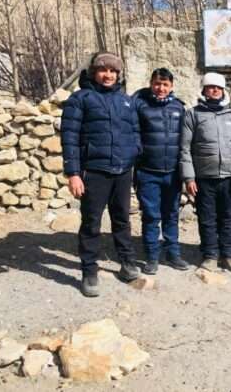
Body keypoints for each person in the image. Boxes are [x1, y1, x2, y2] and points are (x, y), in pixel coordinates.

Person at [61, 52, 141, 297]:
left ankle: (127, 263)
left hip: (122, 171)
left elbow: (135, 132)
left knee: (122, 220)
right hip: (94, 171)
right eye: (103, 70)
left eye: (113, 71)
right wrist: (73, 173)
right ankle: (89, 271)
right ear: (94, 72)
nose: (108, 75)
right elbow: (69, 138)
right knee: (91, 222)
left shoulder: (125, 100)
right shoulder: (80, 99)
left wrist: (134, 155)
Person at [180, 73, 231, 272]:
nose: (214, 90)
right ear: (204, 90)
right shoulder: (193, 114)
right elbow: (185, 149)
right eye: (210, 87)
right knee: (207, 218)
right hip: (204, 178)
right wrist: (189, 177)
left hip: (228, 177)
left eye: (218, 87)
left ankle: (229, 255)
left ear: (223, 90)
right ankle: (210, 255)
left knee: (228, 217)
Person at [133, 68, 189, 275]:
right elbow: (133, 133)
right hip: (148, 171)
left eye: (165, 84)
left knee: (171, 214)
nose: (161, 88)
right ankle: (152, 257)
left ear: (171, 86)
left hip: (173, 172)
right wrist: (139, 152)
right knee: (150, 215)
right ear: (151, 84)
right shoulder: (140, 105)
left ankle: (173, 254)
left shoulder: (179, 107)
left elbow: (185, 138)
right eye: (157, 84)